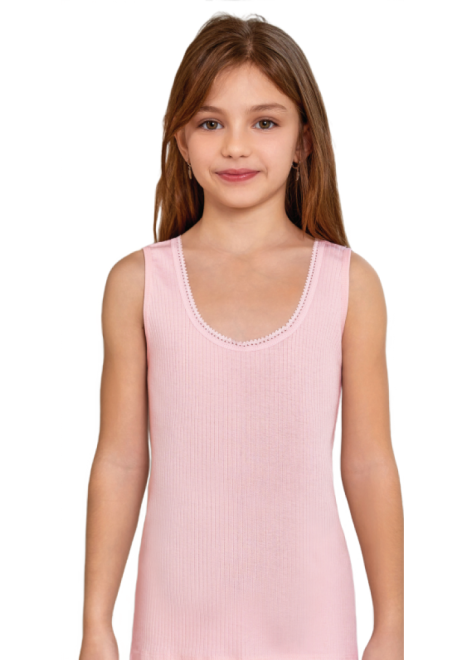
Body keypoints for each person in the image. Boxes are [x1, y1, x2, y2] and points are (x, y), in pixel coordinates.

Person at [79, 13, 404, 660]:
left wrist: (390, 627)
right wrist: (95, 626)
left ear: (304, 140)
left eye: (264, 122)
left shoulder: (349, 284)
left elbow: (369, 463)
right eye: (210, 123)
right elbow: (119, 460)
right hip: (174, 621)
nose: (234, 147)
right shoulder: (138, 284)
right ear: (180, 139)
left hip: (310, 622)